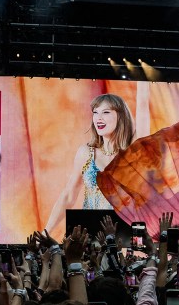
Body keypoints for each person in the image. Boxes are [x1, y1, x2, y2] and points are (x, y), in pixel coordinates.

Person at [45, 94, 136, 234]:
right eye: (95, 112)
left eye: (105, 112)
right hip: (90, 236)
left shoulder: (132, 154)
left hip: (122, 235)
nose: (98, 117)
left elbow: (142, 107)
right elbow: (69, 195)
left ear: (121, 116)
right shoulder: (86, 152)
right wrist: (45, 232)